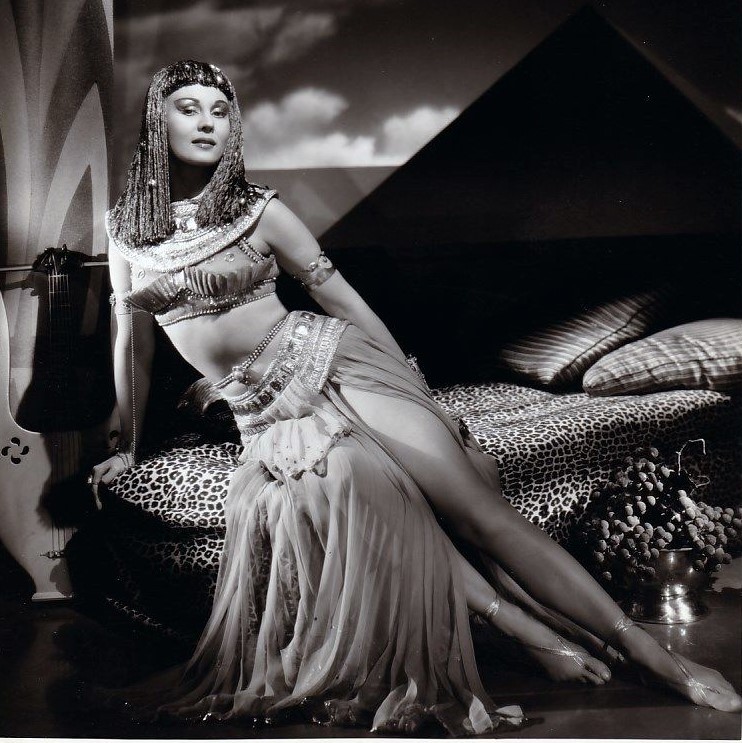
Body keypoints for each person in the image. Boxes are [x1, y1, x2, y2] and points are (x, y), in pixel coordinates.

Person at [91, 60, 741, 734]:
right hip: (263, 412)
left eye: (219, 111)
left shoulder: (260, 210)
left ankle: (657, 657)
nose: (206, 122)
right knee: (363, 505)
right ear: (157, 120)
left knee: (479, 515)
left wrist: (415, 390)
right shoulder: (126, 231)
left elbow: (342, 299)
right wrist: (124, 445)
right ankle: (527, 632)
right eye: (188, 108)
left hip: (332, 363)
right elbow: (130, 346)